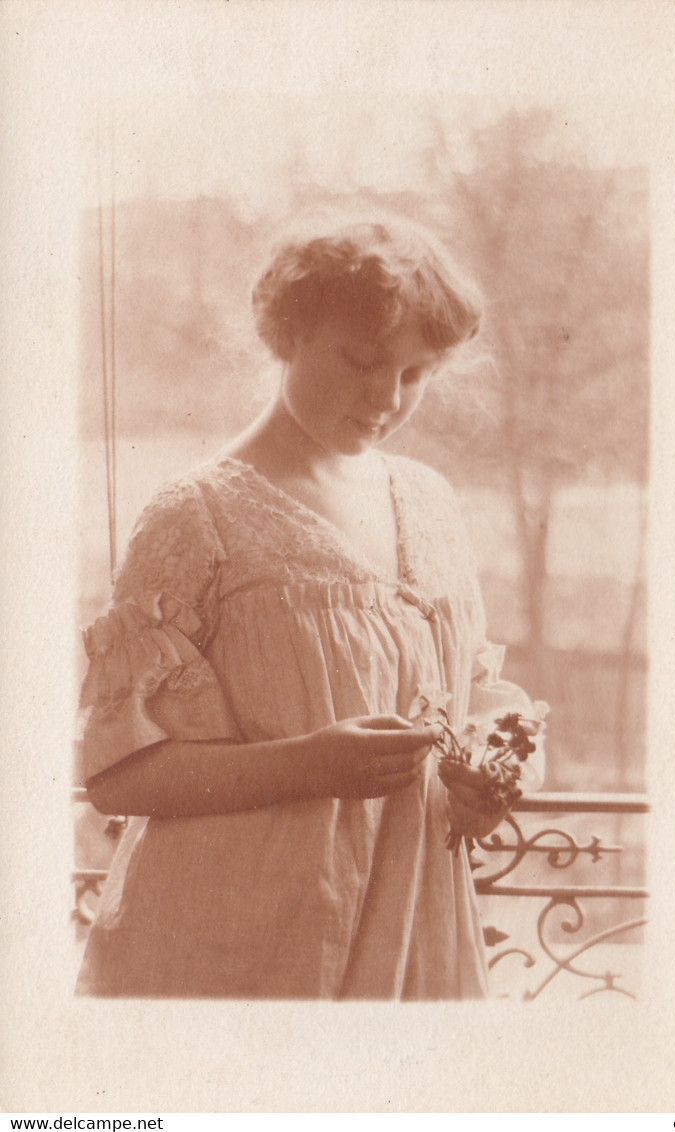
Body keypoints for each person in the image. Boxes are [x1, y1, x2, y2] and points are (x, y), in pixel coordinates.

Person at [77, 210, 544, 998]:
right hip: (241, 946)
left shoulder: (428, 502)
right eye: (361, 362)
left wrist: (481, 779)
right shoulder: (196, 515)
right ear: (285, 335)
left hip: (410, 934)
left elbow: (469, 692)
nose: (386, 398)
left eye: (414, 373)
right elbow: (117, 777)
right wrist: (310, 764)